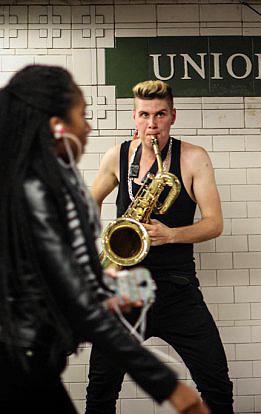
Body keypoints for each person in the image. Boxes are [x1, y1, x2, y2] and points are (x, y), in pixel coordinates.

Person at [0, 65, 207, 414]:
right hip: (19, 368)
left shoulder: (34, 185)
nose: (89, 126)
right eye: (82, 115)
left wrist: (99, 285)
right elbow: (75, 306)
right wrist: (170, 388)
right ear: (57, 126)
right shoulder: (35, 194)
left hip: (32, 365)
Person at [86, 80, 233, 413]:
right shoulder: (117, 156)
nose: (151, 124)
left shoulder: (194, 157)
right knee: (100, 390)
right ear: (134, 117)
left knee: (217, 385)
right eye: (144, 115)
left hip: (177, 291)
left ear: (172, 116)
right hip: (124, 290)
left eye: (160, 114)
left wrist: (172, 234)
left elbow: (214, 224)